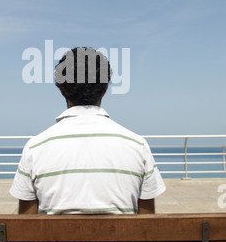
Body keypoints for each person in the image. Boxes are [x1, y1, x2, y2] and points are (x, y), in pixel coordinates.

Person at [10, 47, 166, 216]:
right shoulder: (138, 145)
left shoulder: (35, 148)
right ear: (105, 88)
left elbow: (25, 223)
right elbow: (148, 225)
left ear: (61, 90)